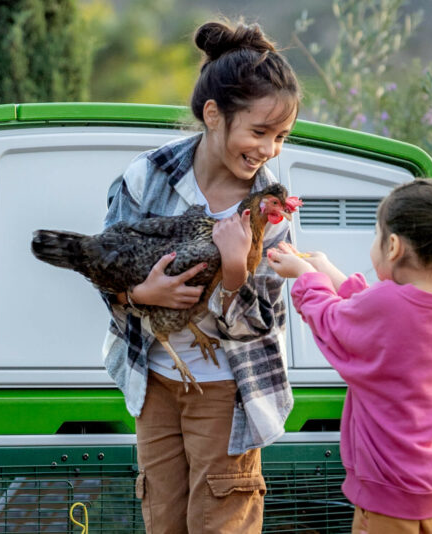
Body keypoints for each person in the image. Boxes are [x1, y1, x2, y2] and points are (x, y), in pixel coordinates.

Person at [98, 20, 301, 534]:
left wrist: (235, 274)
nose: (269, 150)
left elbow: (267, 322)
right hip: (155, 379)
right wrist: (139, 292)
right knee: (162, 518)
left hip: (227, 389)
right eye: (259, 132)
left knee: (220, 523)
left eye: (281, 137)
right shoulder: (146, 178)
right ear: (214, 115)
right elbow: (103, 261)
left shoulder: (270, 204)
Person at [266, 179, 432, 534]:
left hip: (395, 507)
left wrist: (305, 277)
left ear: (392, 245)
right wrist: (328, 272)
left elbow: (335, 324)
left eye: (376, 235)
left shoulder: (389, 306)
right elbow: (375, 313)